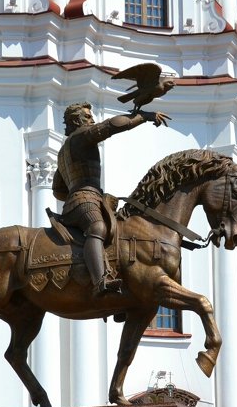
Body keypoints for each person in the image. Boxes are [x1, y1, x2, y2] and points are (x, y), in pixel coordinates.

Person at [52, 101, 170, 296]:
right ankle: (100, 282)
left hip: (83, 198)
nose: (92, 120)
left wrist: (79, 191)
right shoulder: (80, 136)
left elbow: (58, 189)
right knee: (97, 227)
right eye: (88, 117)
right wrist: (144, 116)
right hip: (84, 201)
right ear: (76, 120)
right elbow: (110, 126)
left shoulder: (63, 151)